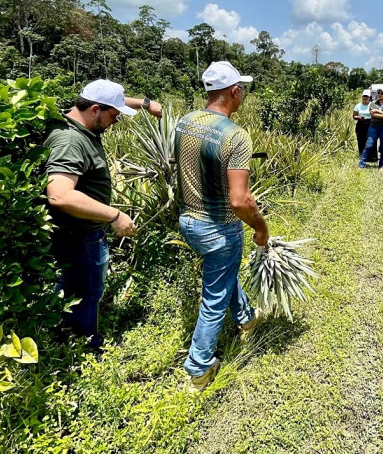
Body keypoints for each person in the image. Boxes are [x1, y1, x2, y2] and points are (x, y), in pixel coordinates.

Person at [45, 79, 161, 348]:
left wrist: (145, 104)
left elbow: (108, 101)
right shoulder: (71, 141)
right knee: (87, 293)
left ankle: (59, 335)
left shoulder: (76, 117)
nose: (116, 121)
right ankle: (86, 348)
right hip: (81, 235)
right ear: (95, 110)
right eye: (114, 115)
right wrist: (114, 216)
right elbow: (59, 194)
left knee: (70, 287)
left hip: (77, 233)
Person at [174, 61, 268, 391]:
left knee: (223, 274)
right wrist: (261, 227)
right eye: (241, 88)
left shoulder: (185, 122)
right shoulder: (236, 136)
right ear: (233, 91)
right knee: (213, 297)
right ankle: (200, 368)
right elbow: (240, 201)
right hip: (218, 229)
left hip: (188, 221)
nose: (242, 93)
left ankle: (245, 319)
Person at [360, 84, 383, 171]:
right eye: (378, 92)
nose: (379, 94)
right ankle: (361, 164)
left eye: (382, 93)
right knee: (369, 144)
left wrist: (377, 111)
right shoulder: (373, 103)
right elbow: (372, 114)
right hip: (374, 127)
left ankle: (382, 165)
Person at [352, 89, 372, 157]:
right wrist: (359, 117)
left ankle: (369, 155)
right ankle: (361, 153)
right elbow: (354, 116)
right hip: (361, 123)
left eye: (367, 96)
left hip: (370, 123)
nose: (365, 98)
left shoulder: (372, 105)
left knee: (369, 139)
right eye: (364, 96)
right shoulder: (358, 106)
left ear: (369, 97)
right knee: (360, 139)